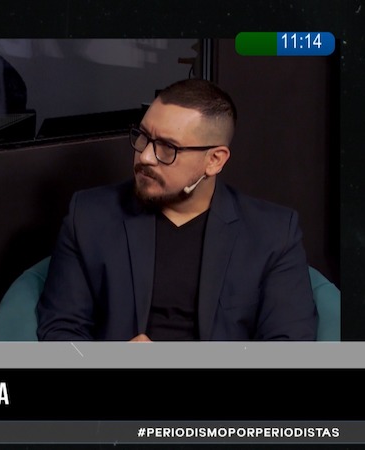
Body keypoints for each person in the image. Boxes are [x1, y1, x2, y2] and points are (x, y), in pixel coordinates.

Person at [37, 79, 318, 341]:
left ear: (214, 160)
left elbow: (289, 346)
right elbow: (60, 328)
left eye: (167, 148)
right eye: (143, 137)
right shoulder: (89, 215)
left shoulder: (273, 234)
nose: (145, 156)